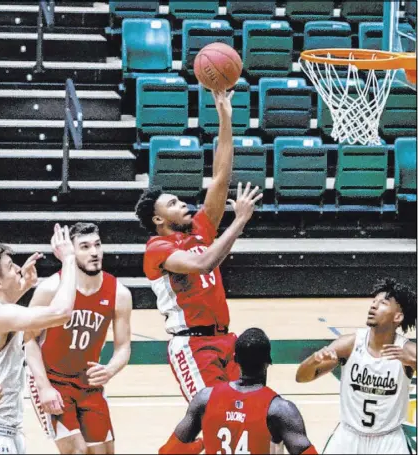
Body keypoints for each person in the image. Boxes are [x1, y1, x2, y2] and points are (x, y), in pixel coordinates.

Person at [136, 89, 263, 401]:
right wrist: (239, 221)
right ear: (157, 219)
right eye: (173, 203)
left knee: (241, 420)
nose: (183, 205)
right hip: (192, 345)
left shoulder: (199, 231)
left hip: (226, 340)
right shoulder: (157, 249)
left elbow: (220, 177)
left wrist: (224, 118)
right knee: (210, 421)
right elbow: (203, 264)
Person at [24, 222, 132, 455]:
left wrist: (111, 369)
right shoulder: (51, 288)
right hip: (52, 379)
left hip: (88, 383)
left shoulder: (120, 293)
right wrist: (43, 387)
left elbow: (123, 346)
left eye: (97, 245)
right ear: (71, 253)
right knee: (76, 451)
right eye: (84, 247)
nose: (94, 252)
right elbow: (28, 340)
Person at [296, 277, 417, 454]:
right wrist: (313, 360)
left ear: (398, 317)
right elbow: (301, 377)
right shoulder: (349, 345)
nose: (373, 306)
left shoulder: (407, 350)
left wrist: (414, 362)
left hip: (389, 440)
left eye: (382, 303)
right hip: (348, 436)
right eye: (373, 302)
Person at [159, 328, 318, 455]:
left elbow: (168, 452)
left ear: (234, 358)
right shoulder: (280, 410)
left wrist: (201, 444)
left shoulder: (204, 399)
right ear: (269, 361)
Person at [0, 224, 78, 454]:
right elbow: (61, 313)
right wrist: (69, 261)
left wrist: (24, 287)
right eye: (11, 267)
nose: (18, 269)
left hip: (7, 431)